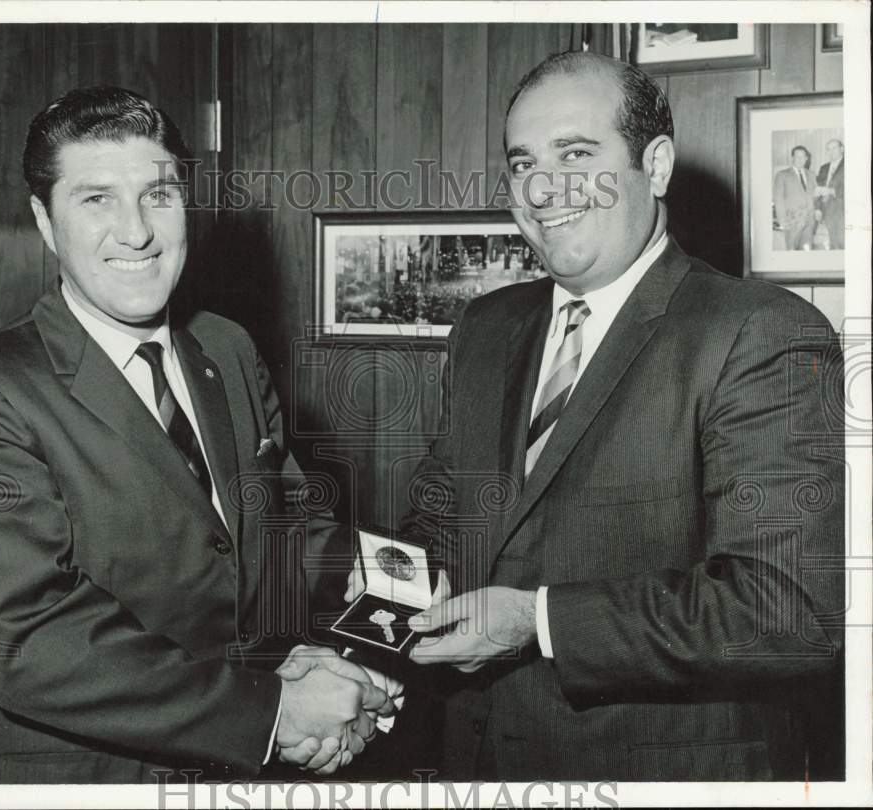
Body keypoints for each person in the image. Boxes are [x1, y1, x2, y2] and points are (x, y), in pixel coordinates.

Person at [348, 52, 844, 781]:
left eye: (576, 155)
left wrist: (538, 621)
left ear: (659, 165)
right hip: (476, 761)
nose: (544, 189)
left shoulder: (760, 332)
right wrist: (361, 648)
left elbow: (787, 612)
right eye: (522, 164)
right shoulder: (486, 326)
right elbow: (440, 521)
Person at [0, 86, 398, 784]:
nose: (137, 231)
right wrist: (273, 711)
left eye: (159, 194)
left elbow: (286, 527)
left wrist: (392, 606)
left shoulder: (225, 347)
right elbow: (29, 641)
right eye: (96, 199)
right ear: (44, 223)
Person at [773, 145, 818, 250]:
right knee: (791, 252)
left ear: (807, 158)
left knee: (806, 253)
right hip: (791, 222)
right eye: (797, 157)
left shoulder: (811, 174)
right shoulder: (782, 175)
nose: (800, 159)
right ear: (792, 158)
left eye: (803, 157)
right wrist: (782, 221)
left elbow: (815, 196)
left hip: (809, 222)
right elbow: (778, 199)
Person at [815, 138, 845, 249]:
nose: (831, 151)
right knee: (832, 245)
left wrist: (831, 191)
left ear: (842, 149)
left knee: (841, 245)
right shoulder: (824, 168)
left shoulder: (851, 164)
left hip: (842, 211)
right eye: (828, 149)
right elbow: (817, 189)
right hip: (825, 212)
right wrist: (817, 208)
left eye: (834, 148)